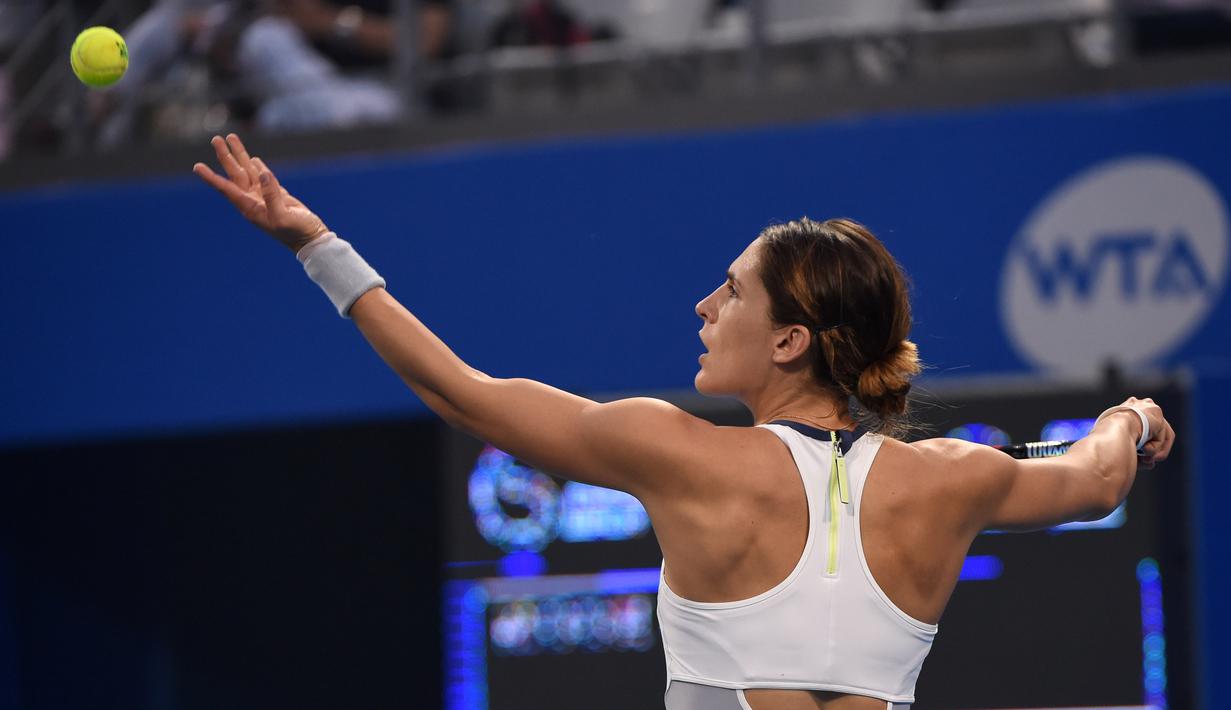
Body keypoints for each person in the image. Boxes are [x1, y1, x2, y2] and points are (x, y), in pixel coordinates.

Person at [192, 134, 1176, 710]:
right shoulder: (957, 478)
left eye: (733, 291)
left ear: (791, 340)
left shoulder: (678, 452)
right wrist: (1129, 414)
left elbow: (458, 391)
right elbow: (1096, 475)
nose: (705, 306)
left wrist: (313, 241)